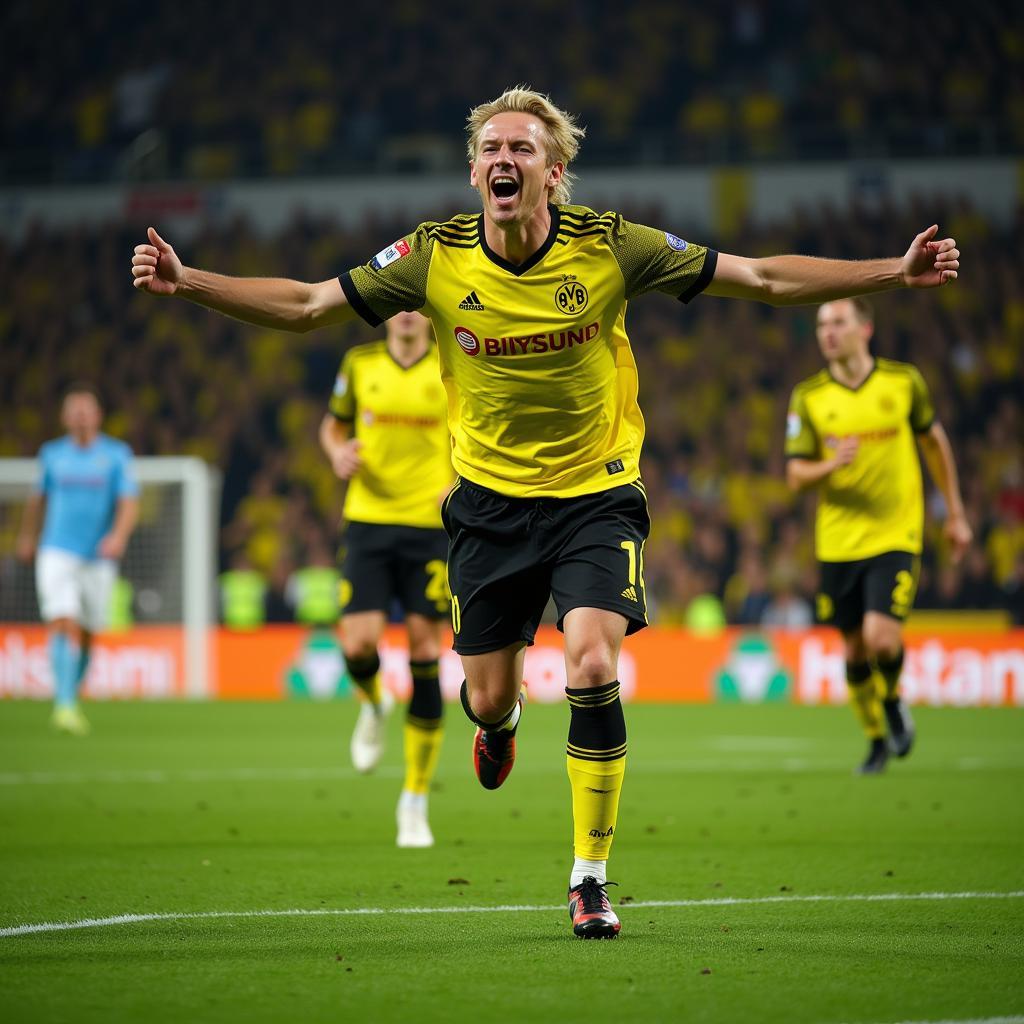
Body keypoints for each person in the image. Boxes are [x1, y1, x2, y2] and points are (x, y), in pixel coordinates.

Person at [130, 86, 960, 939]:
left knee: (594, 663)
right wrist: (190, 281)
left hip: (596, 497)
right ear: (473, 172)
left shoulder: (612, 244)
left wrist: (893, 272)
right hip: (486, 509)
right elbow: (307, 305)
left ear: (553, 173)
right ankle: (502, 721)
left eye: (522, 148)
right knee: (486, 698)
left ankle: (588, 877)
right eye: (490, 148)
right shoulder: (432, 255)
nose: (503, 159)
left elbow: (760, 277)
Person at [785, 298, 971, 773]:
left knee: (881, 639)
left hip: (895, 531)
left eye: (839, 322)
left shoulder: (903, 383)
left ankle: (890, 700)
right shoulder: (808, 397)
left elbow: (934, 443)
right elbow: (794, 475)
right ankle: (874, 740)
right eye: (822, 324)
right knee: (853, 649)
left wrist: (955, 513)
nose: (828, 332)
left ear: (865, 328)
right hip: (837, 540)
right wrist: (830, 463)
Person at [319, 310, 453, 848]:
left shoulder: (451, 365)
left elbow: (477, 426)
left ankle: (415, 801)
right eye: (395, 301)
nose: (403, 311)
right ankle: (374, 702)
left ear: (427, 310)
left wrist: (462, 480)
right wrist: (336, 452)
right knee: (357, 644)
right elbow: (332, 423)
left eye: (413, 301)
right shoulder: (361, 363)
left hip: (428, 527)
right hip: (369, 520)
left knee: (425, 652)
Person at [16, 383, 139, 734]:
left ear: (98, 416)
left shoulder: (116, 455)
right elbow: (37, 500)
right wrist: (27, 537)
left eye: (87, 409)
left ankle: (70, 695)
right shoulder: (52, 455)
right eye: (75, 410)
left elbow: (129, 502)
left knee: (86, 632)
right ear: (65, 417)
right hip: (57, 550)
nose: (81, 416)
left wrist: (117, 536)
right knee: (62, 619)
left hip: (97, 555)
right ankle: (64, 705)